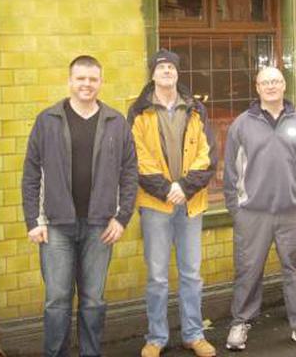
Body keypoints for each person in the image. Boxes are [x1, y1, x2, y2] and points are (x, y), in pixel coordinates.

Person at [22, 55, 138, 357]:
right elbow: (32, 172)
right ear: (70, 81)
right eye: (81, 78)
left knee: (94, 300)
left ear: (101, 82)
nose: (87, 84)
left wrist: (122, 218)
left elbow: (129, 173)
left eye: (93, 79)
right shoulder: (47, 120)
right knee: (57, 300)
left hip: (100, 226)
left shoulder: (115, 122)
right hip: (56, 226)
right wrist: (33, 220)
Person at [223, 66, 296, 352]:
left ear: (284, 85)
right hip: (252, 215)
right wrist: (237, 210)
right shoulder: (242, 125)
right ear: (257, 88)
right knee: (248, 270)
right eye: (265, 82)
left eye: (276, 81)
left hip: (292, 213)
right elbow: (230, 172)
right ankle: (241, 322)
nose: (271, 86)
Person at [128, 49, 217, 357]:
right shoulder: (139, 111)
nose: (167, 71)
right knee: (157, 277)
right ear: (152, 74)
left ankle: (194, 334)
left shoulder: (196, 109)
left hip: (190, 203)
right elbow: (137, 158)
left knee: (191, 274)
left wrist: (184, 187)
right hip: (156, 204)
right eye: (161, 67)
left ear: (178, 73)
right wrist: (167, 189)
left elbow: (208, 155)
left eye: (171, 67)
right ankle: (156, 337)